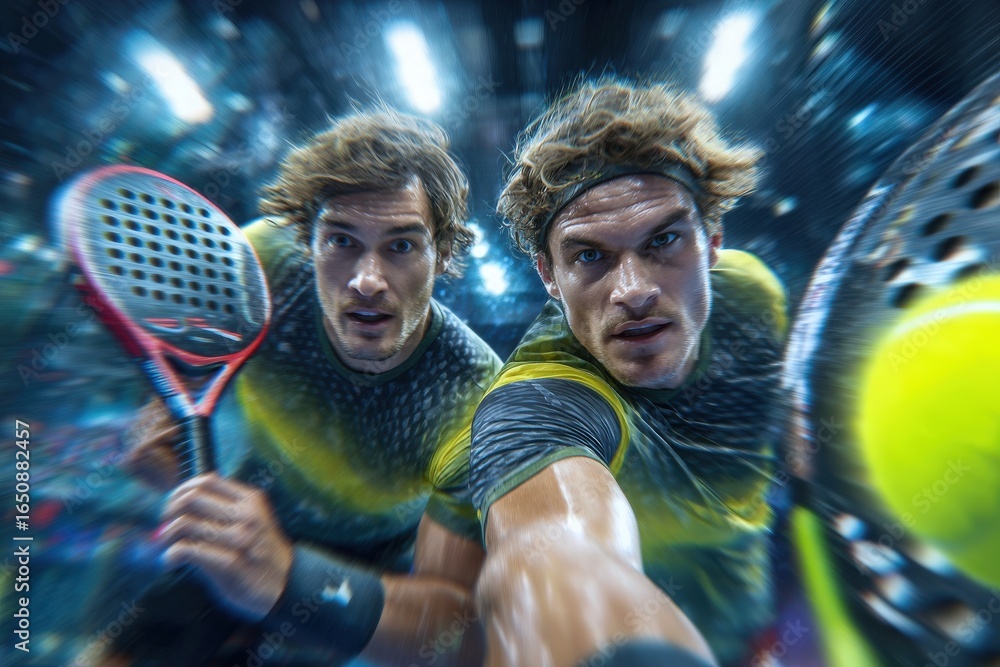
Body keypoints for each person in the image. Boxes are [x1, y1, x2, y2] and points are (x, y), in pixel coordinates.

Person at [82, 108, 502, 667]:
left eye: (401, 245)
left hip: (364, 582)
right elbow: (176, 381)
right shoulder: (260, 264)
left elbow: (460, 626)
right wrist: (163, 442)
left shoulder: (478, 397)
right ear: (306, 241)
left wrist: (286, 574)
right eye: (341, 241)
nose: (367, 280)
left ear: (443, 256)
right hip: (233, 529)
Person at [469, 77, 788, 667]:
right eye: (590, 255)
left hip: (760, 632)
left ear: (712, 243)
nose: (633, 292)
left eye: (663, 240)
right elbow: (548, 558)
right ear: (548, 275)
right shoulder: (539, 399)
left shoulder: (754, 296)